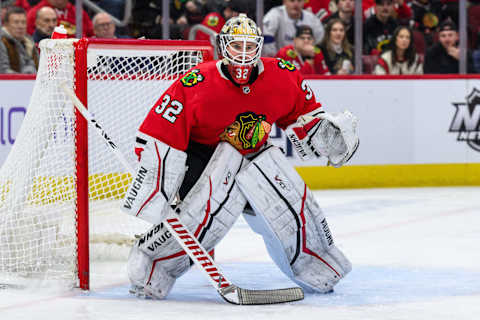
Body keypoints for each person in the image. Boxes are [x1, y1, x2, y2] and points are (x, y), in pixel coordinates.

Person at [121, 14, 358, 300]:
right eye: (236, 46)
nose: (243, 54)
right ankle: (151, 269)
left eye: (249, 46)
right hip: (203, 156)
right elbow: (160, 132)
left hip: (255, 155)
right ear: (223, 47)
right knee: (198, 219)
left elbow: (304, 114)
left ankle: (318, 268)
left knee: (290, 209)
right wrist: (158, 181)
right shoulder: (195, 82)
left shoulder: (283, 74)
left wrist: (326, 137)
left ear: (259, 47)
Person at [0, 6, 38, 74]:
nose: (20, 26)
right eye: (16, 22)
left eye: (23, 22)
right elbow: (3, 71)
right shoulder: (2, 42)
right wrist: (25, 77)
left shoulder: (29, 42)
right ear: (6, 24)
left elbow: (39, 66)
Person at [26, 0, 93, 37]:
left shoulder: (79, 13)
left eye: (54, 20)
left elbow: (91, 33)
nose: (51, 24)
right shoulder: (36, 13)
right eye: (47, 20)